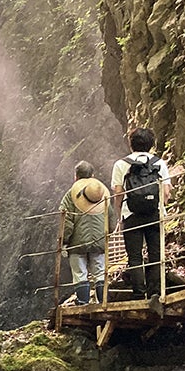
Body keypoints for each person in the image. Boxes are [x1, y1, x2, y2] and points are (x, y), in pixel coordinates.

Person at [112, 127, 172, 299]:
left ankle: (139, 294)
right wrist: (159, 205)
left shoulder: (121, 164)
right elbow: (166, 192)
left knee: (135, 256)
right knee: (156, 254)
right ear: (151, 144)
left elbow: (118, 193)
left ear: (131, 144)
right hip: (154, 213)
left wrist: (119, 214)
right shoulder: (159, 163)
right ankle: (155, 293)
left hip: (131, 215)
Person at [59, 162, 114, 305]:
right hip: (99, 240)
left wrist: (64, 241)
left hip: (77, 242)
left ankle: (83, 302)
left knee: (80, 273)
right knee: (100, 272)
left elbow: (67, 222)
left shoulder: (71, 195)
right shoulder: (101, 193)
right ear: (93, 175)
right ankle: (102, 301)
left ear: (76, 176)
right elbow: (111, 218)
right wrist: (107, 234)